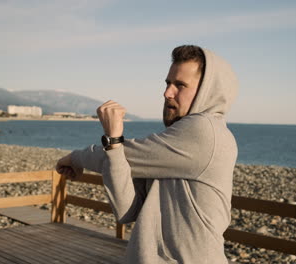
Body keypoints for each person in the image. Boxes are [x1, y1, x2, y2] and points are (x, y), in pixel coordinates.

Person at [56, 45, 238, 264]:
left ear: (207, 91)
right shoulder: (173, 142)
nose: (167, 93)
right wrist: (114, 149)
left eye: (180, 85)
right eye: (168, 83)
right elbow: (127, 211)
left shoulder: (205, 131)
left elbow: (125, 155)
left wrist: (77, 157)